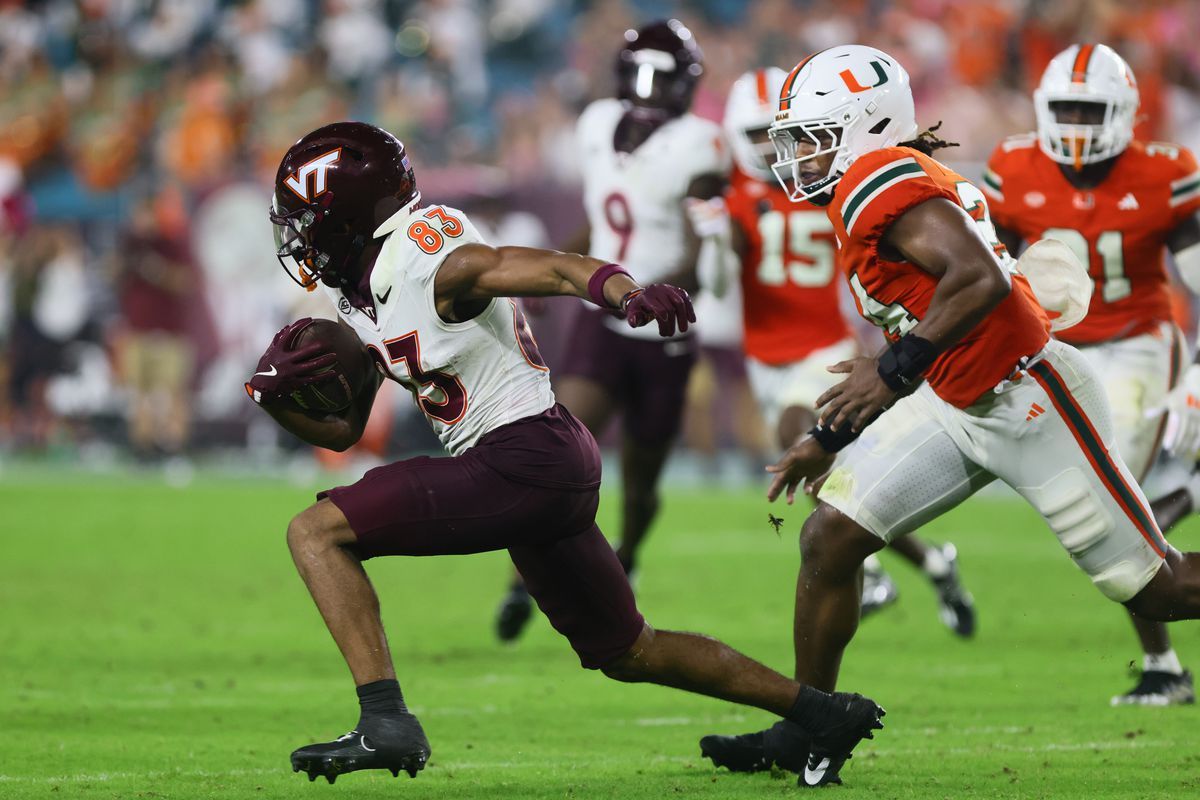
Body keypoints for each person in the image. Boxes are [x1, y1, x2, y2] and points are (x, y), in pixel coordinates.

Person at [250, 120, 885, 787]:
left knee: (314, 532)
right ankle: (821, 712)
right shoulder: (360, 286)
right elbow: (347, 431)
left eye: (307, 218)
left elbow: (551, 267)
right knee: (629, 651)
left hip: (519, 456)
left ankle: (384, 720)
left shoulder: (425, 257)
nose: (300, 235)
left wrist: (627, 292)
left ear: (348, 214)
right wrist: (275, 400)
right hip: (542, 462)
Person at [700, 44, 1200, 779]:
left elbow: (978, 279)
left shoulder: (874, 176)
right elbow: (933, 312)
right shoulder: (879, 181)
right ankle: (810, 727)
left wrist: (890, 371)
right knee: (829, 539)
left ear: (863, 127)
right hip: (959, 397)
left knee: (1157, 585)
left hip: (1030, 399)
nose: (800, 157)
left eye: (813, 137)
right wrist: (829, 430)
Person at [494, 18, 734, 641]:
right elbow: (603, 225)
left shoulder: (700, 144)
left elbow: (700, 249)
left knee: (642, 479)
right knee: (558, 450)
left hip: (664, 331)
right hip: (603, 322)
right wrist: (556, 273)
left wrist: (664, 291)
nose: (651, 90)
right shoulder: (598, 123)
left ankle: (624, 559)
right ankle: (525, 582)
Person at [720, 67, 976, 634]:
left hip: (821, 346)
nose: (772, 147)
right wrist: (713, 231)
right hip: (765, 355)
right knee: (830, 481)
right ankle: (934, 562)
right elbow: (716, 280)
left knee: (799, 436)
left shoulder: (825, 184)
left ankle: (874, 571)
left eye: (778, 132)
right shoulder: (735, 198)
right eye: (758, 133)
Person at [984, 43, 1200, 706]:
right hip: (1055, 347)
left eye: (1090, 109)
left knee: (1117, 498)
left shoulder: (1168, 170)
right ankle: (1193, 495)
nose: (1076, 124)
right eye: (1066, 109)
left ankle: (1164, 663)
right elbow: (989, 267)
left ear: (1126, 112)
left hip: (1138, 339)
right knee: (1110, 510)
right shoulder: (1012, 165)